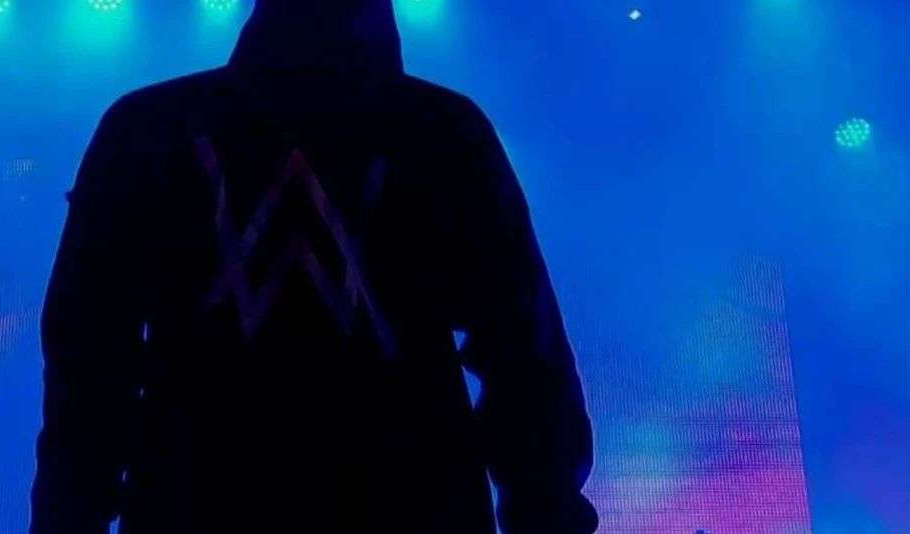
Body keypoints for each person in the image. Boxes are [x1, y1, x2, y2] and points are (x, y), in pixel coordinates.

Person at [31, 0, 598, 533]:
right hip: (412, 506)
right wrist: (547, 514)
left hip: (195, 505)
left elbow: (86, 368)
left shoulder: (146, 128)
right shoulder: (445, 130)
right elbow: (525, 359)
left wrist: (67, 517)